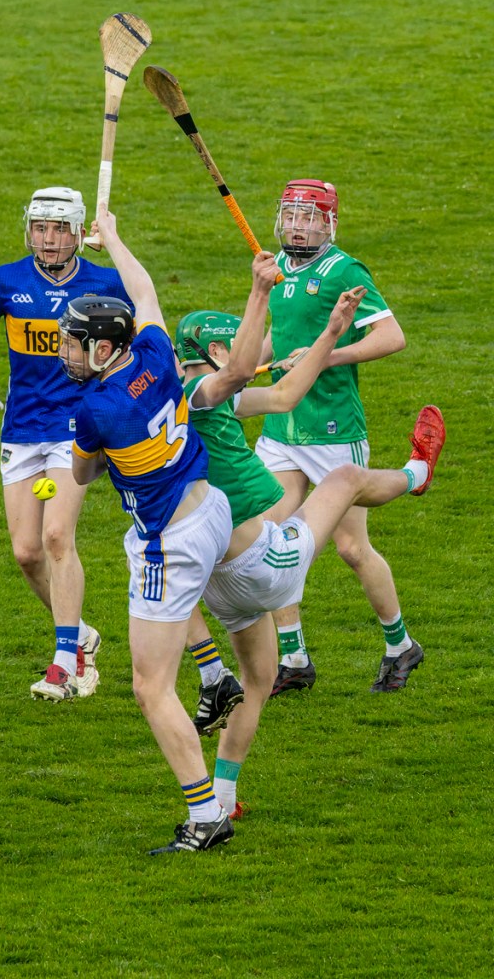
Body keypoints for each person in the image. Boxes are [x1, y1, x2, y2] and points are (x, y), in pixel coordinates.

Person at [174, 276, 445, 816]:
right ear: (220, 351)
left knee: (256, 681)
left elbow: (283, 395)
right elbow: (269, 388)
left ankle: (222, 798)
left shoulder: (163, 402)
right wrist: (323, 324)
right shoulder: (206, 396)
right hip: (263, 564)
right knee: (345, 479)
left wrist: (330, 334)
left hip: (214, 585)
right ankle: (418, 472)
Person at [60, 208, 235, 854]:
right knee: (144, 564)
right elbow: (146, 292)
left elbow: (81, 474)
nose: (66, 351)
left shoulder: (97, 410)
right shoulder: (157, 352)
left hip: (171, 542)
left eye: (75, 343)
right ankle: (216, 674)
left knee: (149, 686)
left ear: (104, 349)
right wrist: (113, 235)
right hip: (210, 508)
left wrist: (95, 449)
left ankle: (206, 815)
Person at [0, 187, 134, 702]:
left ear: (77, 232)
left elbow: (139, 339)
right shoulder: (7, 280)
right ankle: (81, 635)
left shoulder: (105, 283)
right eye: (40, 228)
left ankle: (65, 663)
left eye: (58, 229)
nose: (48, 239)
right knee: (27, 553)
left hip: (76, 426)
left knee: (57, 537)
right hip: (21, 428)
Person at [256, 179, 420, 695]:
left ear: (329, 224)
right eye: (291, 216)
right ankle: (293, 659)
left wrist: (324, 355)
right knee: (268, 544)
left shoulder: (345, 270)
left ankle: (400, 644)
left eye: (309, 218)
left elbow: (391, 336)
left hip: (332, 429)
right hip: (281, 428)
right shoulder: (277, 270)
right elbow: (281, 330)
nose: (298, 226)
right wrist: (244, 365)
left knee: (351, 547)